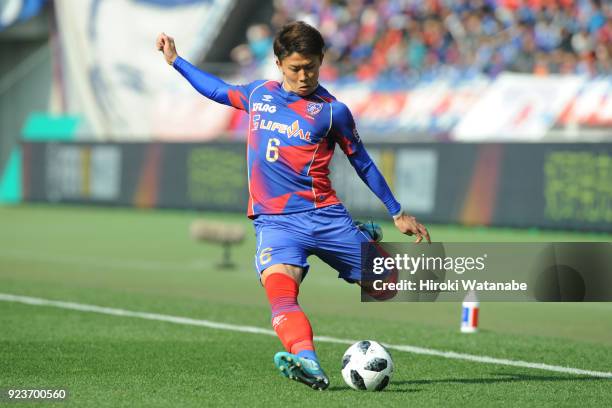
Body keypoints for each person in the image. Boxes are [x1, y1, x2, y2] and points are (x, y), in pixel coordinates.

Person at [156, 21, 430, 391]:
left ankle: (363, 234)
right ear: (279, 63)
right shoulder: (259, 94)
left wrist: (397, 212)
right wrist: (176, 61)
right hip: (276, 223)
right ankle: (310, 364)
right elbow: (218, 90)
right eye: (295, 69)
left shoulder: (333, 112)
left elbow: (361, 161)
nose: (304, 76)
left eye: (311, 67)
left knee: (387, 285)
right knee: (280, 291)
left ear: (321, 61)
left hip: (325, 217)